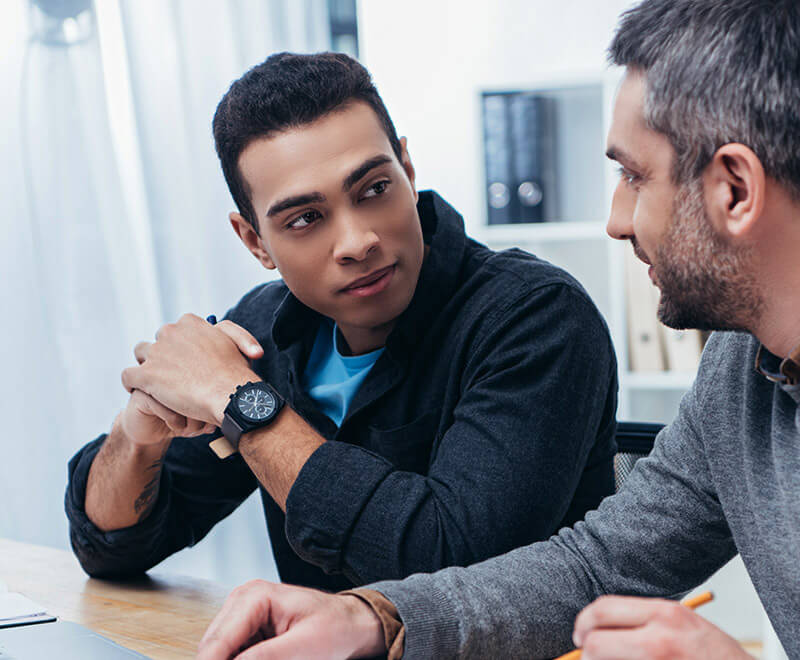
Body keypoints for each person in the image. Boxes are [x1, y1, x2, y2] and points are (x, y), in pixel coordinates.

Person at [193, 1, 800, 658]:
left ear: (736, 190)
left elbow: (455, 545)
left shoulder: (533, 312)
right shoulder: (739, 366)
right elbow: (594, 565)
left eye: (633, 176)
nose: (615, 221)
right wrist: (374, 619)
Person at [64, 52, 618, 594]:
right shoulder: (260, 332)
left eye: (374, 189)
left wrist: (242, 403)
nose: (358, 242)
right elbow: (111, 549)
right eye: (305, 218)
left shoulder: (537, 318)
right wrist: (138, 435)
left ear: (408, 170)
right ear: (255, 241)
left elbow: (454, 572)